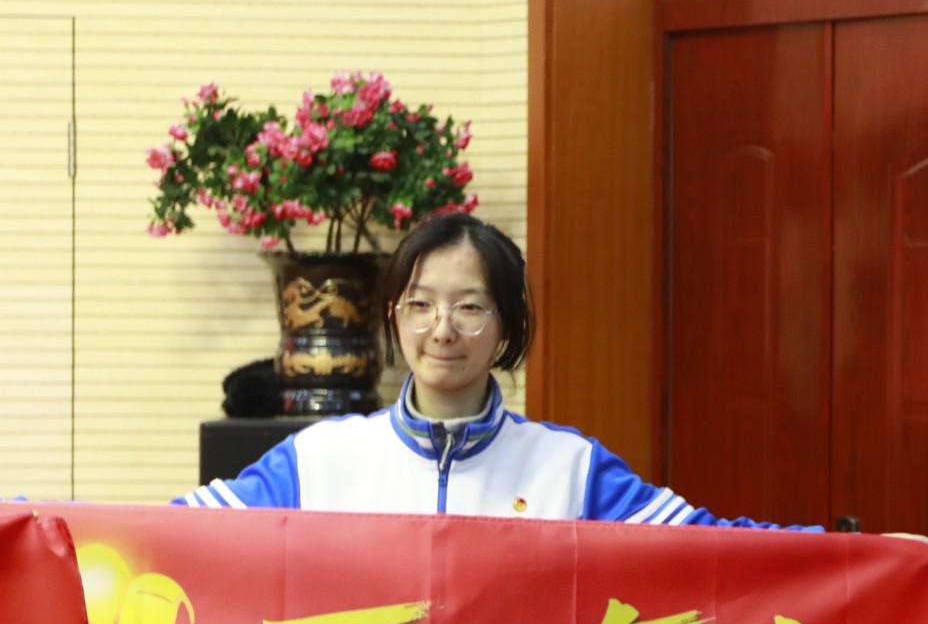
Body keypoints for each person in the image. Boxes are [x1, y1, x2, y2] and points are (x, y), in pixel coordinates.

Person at [179, 213, 773, 524]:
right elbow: (181, 537)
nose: (441, 330)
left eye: (468, 307)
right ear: (393, 317)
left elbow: (710, 551)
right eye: (420, 305)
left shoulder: (570, 469)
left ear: (506, 326)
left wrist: (833, 558)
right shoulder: (319, 460)